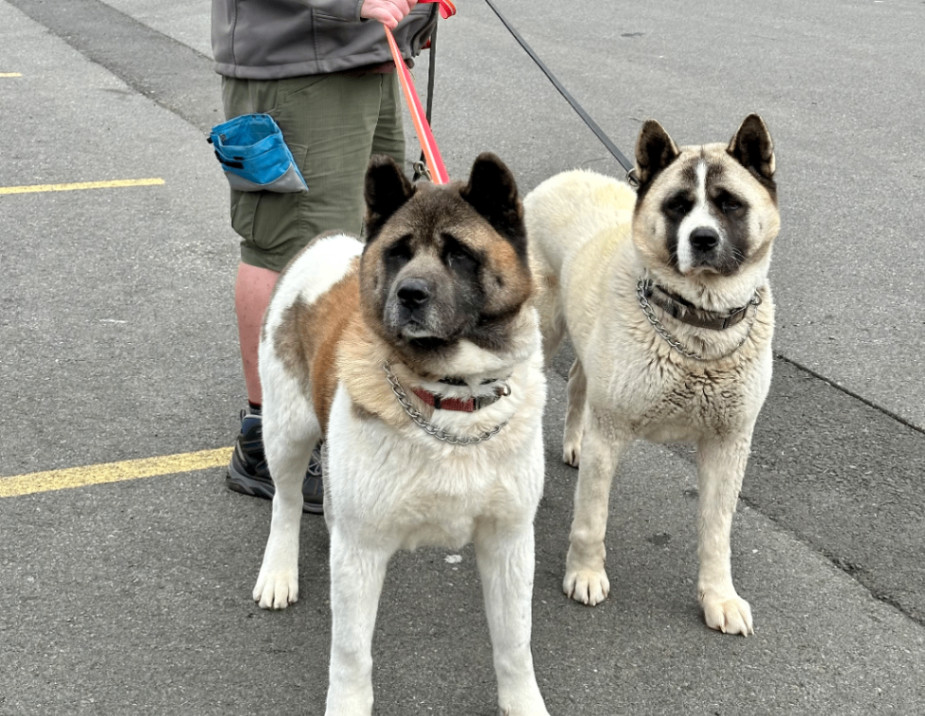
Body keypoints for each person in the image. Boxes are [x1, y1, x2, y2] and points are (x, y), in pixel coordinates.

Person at [211, 0, 439, 513]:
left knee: (369, 242)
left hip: (366, 53)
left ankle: (353, 415)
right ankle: (263, 439)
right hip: (299, 65)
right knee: (287, 250)